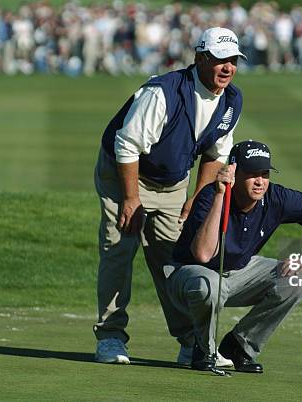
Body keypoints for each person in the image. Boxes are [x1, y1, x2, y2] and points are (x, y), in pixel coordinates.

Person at [93, 27, 246, 365]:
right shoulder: (162, 93)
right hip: (124, 173)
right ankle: (110, 337)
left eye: (233, 61)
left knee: (175, 260)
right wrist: (131, 199)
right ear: (201, 58)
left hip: (174, 180)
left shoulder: (232, 100)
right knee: (119, 250)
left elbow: (215, 154)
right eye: (220, 60)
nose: (227, 68)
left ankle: (191, 343)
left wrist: (198, 198)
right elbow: (127, 145)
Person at [166, 140, 302, 372]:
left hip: (240, 271)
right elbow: (203, 254)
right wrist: (221, 195)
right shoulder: (210, 196)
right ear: (234, 171)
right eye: (252, 173)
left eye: (264, 173)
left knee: (299, 280)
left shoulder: (276, 197)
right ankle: (203, 349)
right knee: (210, 284)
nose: (260, 181)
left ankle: (240, 346)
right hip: (189, 276)